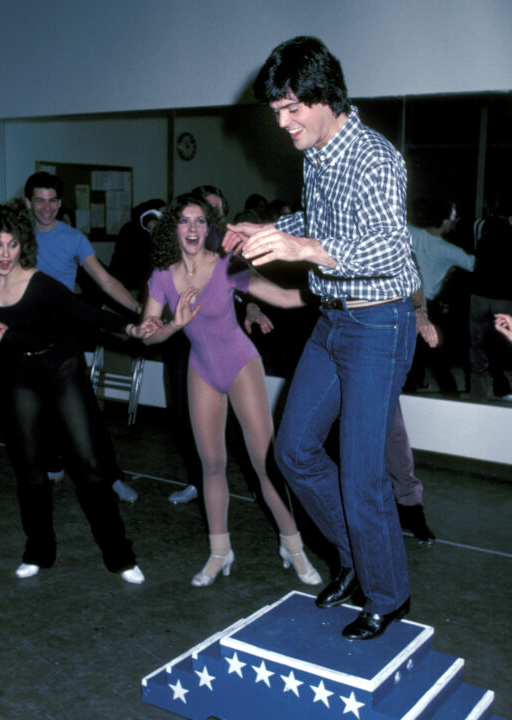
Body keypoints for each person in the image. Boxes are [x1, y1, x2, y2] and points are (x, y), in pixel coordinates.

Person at [223, 36, 421, 640]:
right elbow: (325, 223)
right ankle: (359, 562)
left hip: (380, 323)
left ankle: (388, 594)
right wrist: (275, 227)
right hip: (333, 320)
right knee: (294, 451)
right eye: (275, 112)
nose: (282, 124)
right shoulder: (319, 154)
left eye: (290, 109)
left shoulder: (374, 157)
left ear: (324, 96)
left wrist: (304, 250)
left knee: (362, 476)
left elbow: (389, 246)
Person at [142, 192, 321, 588]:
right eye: (185, 221)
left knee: (264, 464)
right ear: (174, 227)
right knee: (212, 464)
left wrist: (329, 288)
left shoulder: (227, 267)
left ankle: (293, 546)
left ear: (209, 229)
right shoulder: (160, 277)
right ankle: (220, 551)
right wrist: (175, 323)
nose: (193, 228)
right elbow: (149, 335)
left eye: (200, 221)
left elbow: (285, 298)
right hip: (201, 369)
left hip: (241, 363)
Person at [0, 203, 157, 581]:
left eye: (13, 244)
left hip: (61, 370)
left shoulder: (39, 282)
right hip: (16, 376)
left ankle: (120, 557)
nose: (6, 254)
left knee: (89, 467)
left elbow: (83, 310)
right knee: (30, 469)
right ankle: (39, 552)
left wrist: (129, 328)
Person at [24, 171, 141, 501]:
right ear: (28, 203)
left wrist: (137, 309)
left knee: (85, 410)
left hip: (63, 334)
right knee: (35, 409)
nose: (46, 208)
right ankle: (52, 460)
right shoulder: (18, 238)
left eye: (52, 201)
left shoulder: (73, 238)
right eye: (39, 201)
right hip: (26, 337)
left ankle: (112, 475)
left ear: (60, 203)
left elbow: (105, 281)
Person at [167, 185, 273, 506]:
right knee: (186, 416)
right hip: (186, 341)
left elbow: (247, 287)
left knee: (241, 419)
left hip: (225, 341)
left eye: (215, 211)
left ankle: (260, 482)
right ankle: (196, 481)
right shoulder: (176, 247)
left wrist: (252, 306)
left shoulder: (229, 249)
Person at [406, 197, 474, 396]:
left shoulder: (410, 232)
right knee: (438, 355)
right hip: (428, 306)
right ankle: (451, 395)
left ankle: (409, 390)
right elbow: (475, 264)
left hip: (403, 301)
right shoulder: (449, 250)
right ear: (445, 221)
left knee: (408, 352)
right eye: (453, 218)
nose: (454, 222)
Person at [469, 199, 512, 401]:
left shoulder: (483, 231)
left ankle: (478, 395)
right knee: (504, 342)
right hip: (503, 297)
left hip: (478, 294)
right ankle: (502, 386)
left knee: (478, 346)